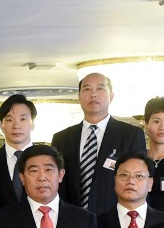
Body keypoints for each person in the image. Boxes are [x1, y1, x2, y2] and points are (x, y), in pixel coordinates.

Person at [51, 73, 146, 214]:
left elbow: (140, 181)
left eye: (100, 88)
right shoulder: (61, 138)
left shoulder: (131, 135)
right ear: (79, 96)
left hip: (115, 217)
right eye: (87, 89)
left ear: (111, 96)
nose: (93, 94)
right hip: (71, 217)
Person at [0, 94, 36, 210]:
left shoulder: (46, 159)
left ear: (32, 124)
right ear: (1, 126)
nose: (16, 126)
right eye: (9, 120)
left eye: (23, 119)